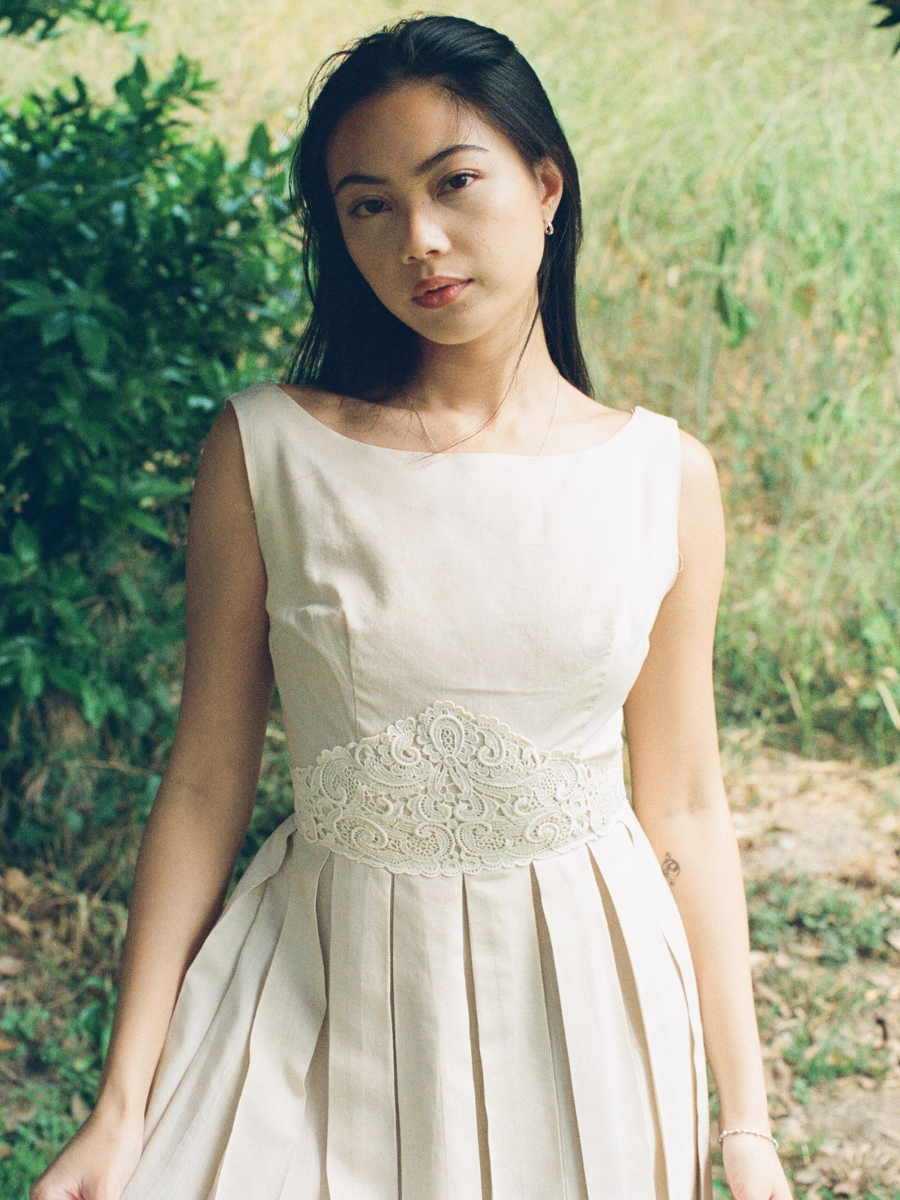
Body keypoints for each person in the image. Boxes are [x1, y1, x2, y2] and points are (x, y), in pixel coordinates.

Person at [32, 15, 795, 1200]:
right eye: (368, 205)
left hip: (586, 1008)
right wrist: (121, 1106)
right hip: (316, 991)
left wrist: (744, 1127)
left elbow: (687, 804)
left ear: (546, 186)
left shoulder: (663, 478)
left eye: (455, 183)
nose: (421, 241)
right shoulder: (266, 452)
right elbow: (203, 780)